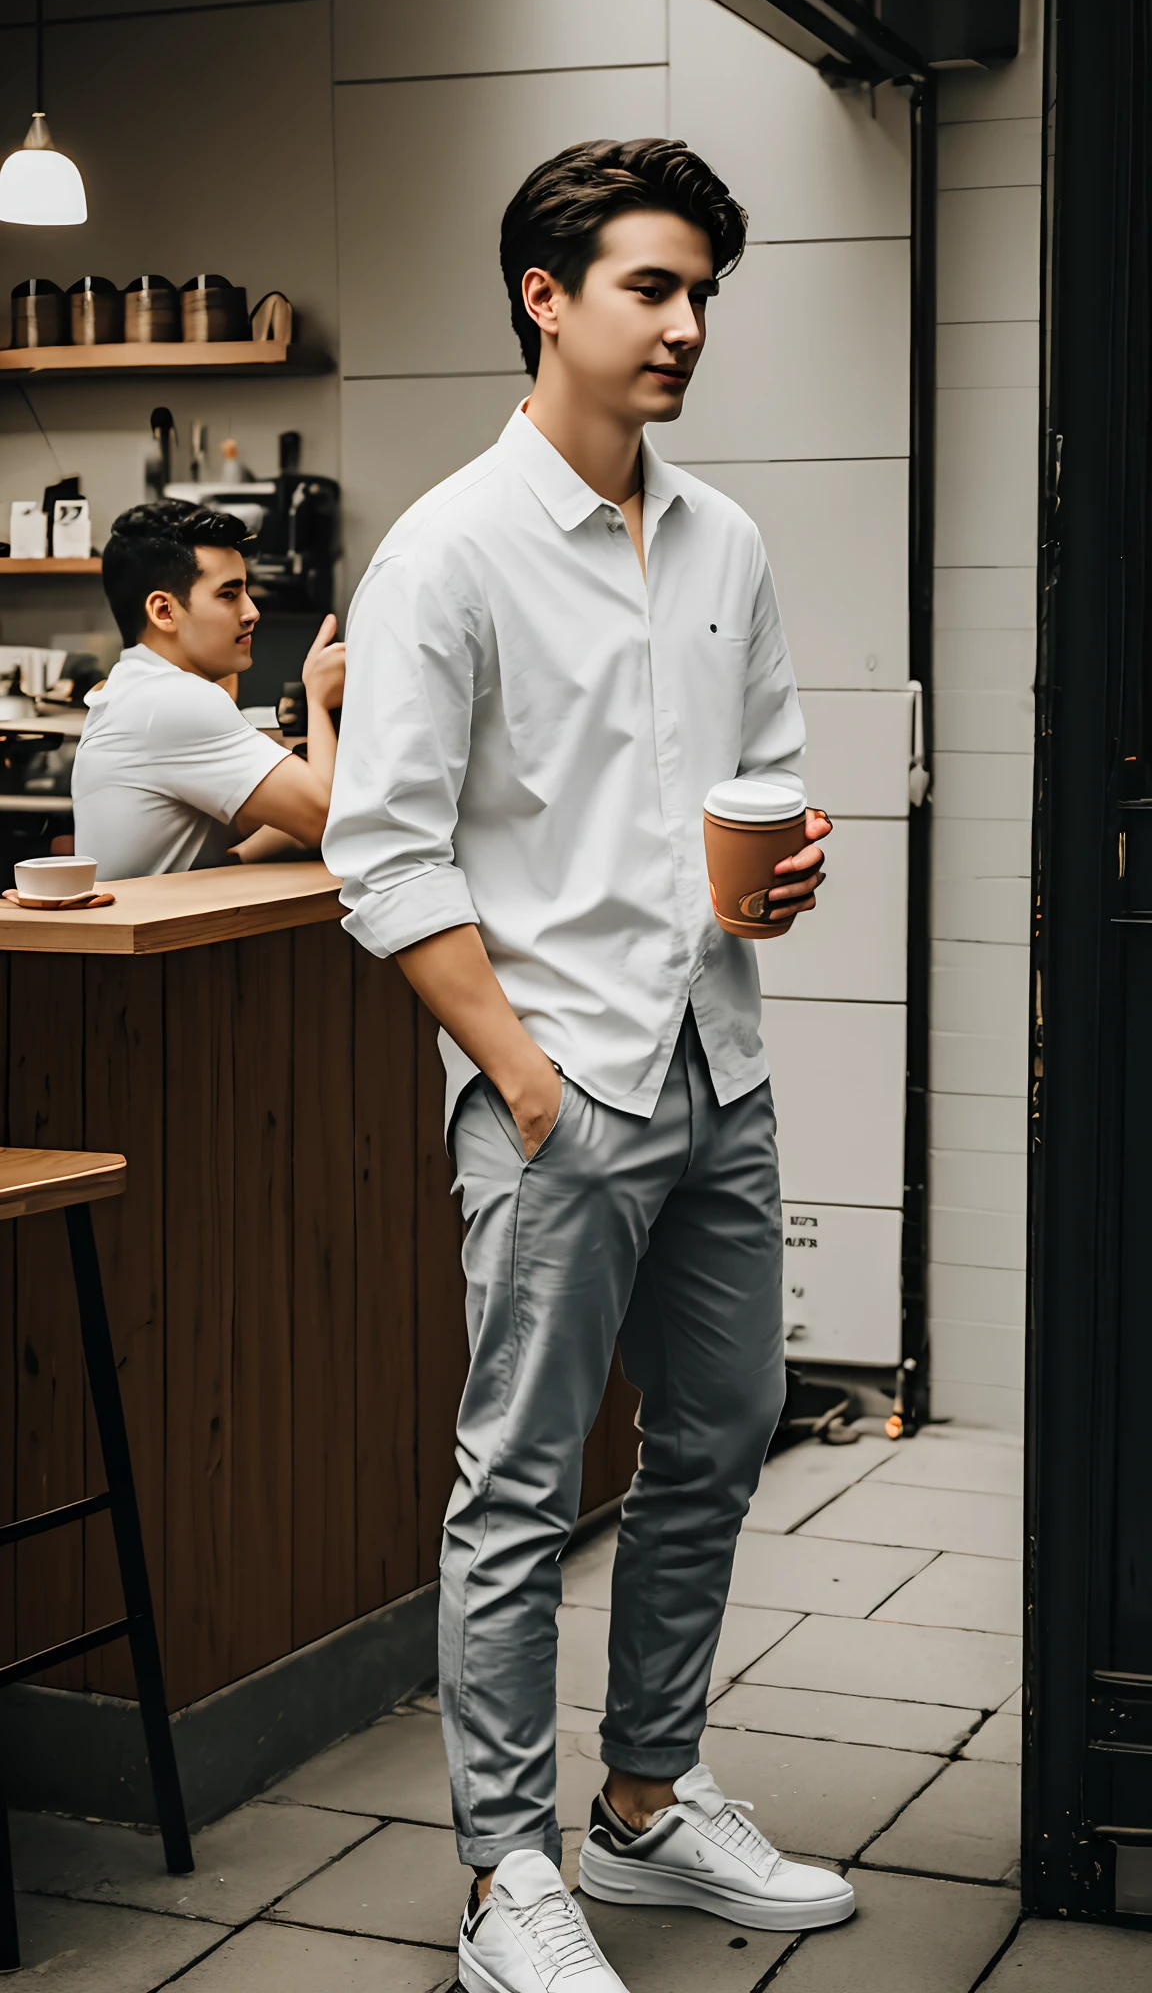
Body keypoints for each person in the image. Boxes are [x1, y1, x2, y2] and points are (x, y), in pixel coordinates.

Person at [324, 136, 852, 1993]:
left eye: (703, 290)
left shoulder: (724, 540)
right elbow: (382, 854)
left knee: (715, 1442)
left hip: (718, 1062)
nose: (687, 323)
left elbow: (759, 773)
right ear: (542, 296)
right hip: (557, 1085)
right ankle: (499, 1878)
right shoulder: (449, 552)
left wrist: (782, 876)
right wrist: (522, 1078)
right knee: (521, 1489)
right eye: (652, 285)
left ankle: (639, 1801)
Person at [71, 499, 344, 879]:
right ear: (164, 611)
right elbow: (331, 819)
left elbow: (284, 826)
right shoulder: (173, 700)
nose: (252, 612)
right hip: (154, 936)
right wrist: (318, 696)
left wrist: (243, 855)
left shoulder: (135, 688)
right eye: (228, 595)